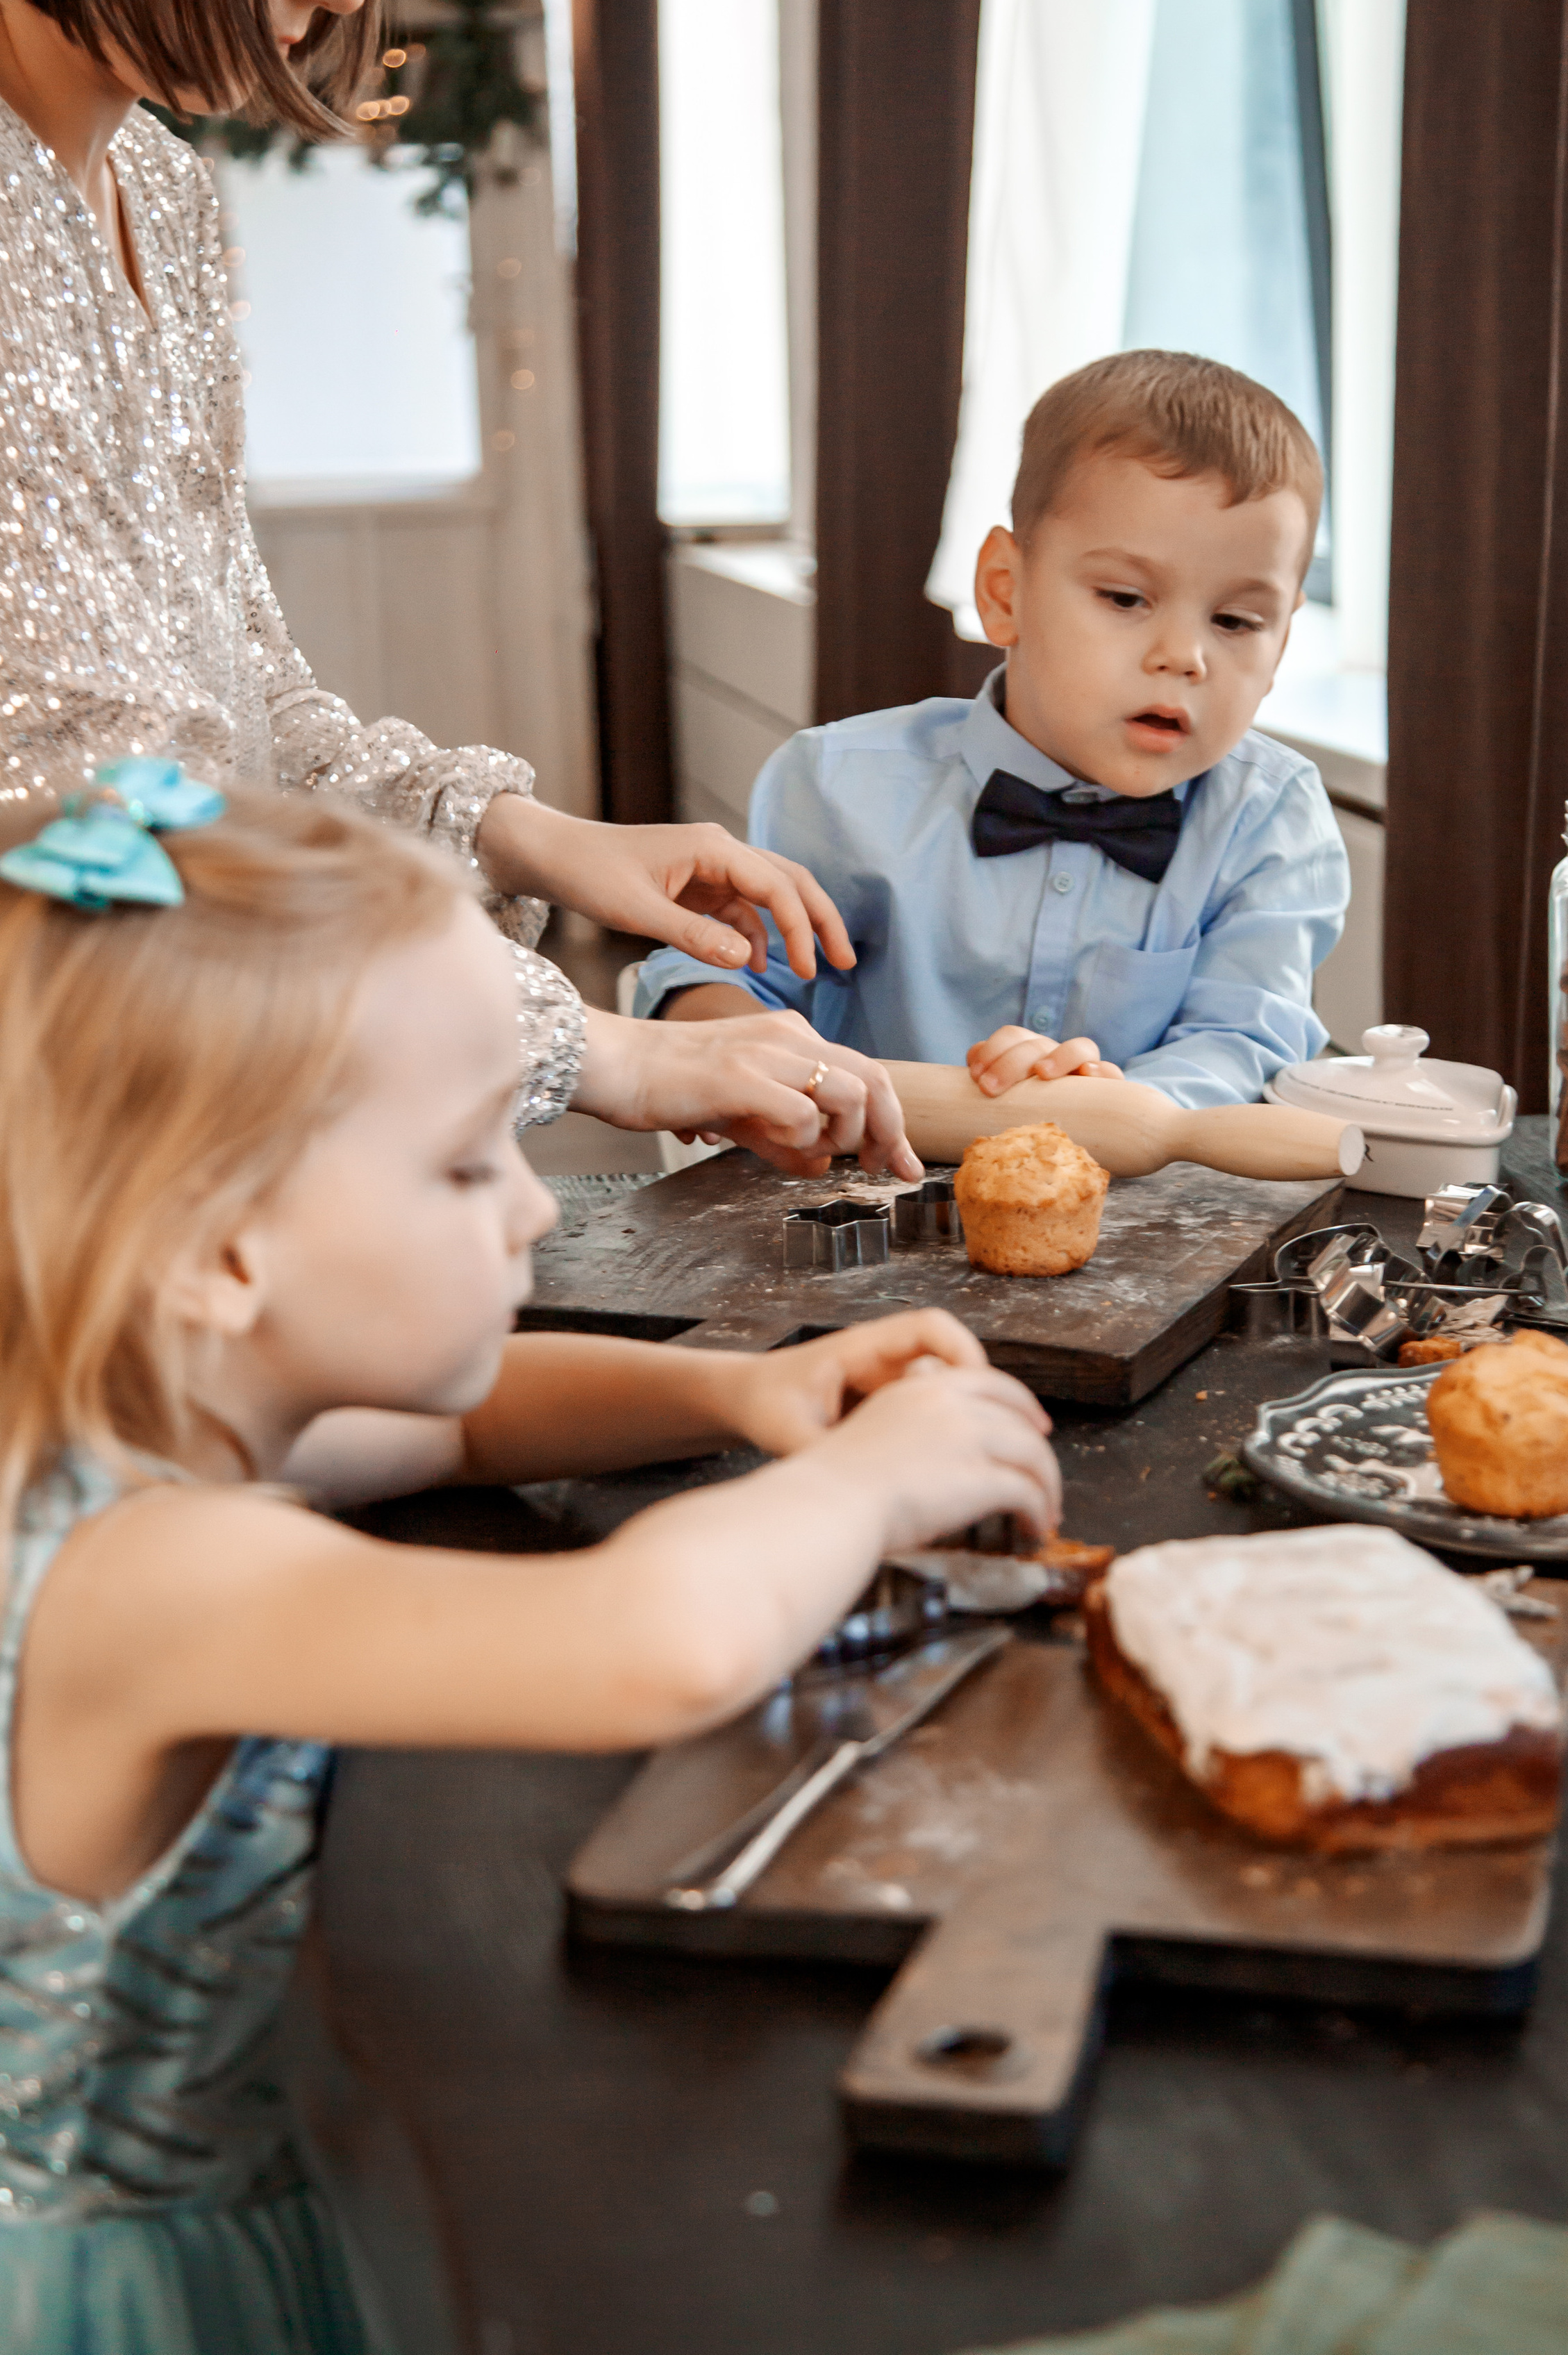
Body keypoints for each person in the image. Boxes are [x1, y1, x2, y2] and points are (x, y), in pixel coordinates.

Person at [0, 761, 1058, 2352]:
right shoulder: (152, 1573)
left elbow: (466, 1423)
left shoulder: (145, 1413)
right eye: (465, 1158)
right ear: (219, 1247)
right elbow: (653, 1637)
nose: (530, 1215)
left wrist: (731, 1387)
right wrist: (861, 1485)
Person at [0, 0, 917, 1178]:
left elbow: (247, 717)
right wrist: (596, 1046)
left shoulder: (156, 193)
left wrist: (521, 831)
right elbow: (115, 836)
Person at [640, 349, 1350, 1108]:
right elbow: (720, 973)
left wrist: (1113, 1109)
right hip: (865, 1205)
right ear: (1003, 592)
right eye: (1124, 598)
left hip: (1143, 1211)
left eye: (1237, 620)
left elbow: (1247, 1042)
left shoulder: (1271, 818)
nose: (1185, 657)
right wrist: (732, 1045)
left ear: (1280, 643)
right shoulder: (838, 783)